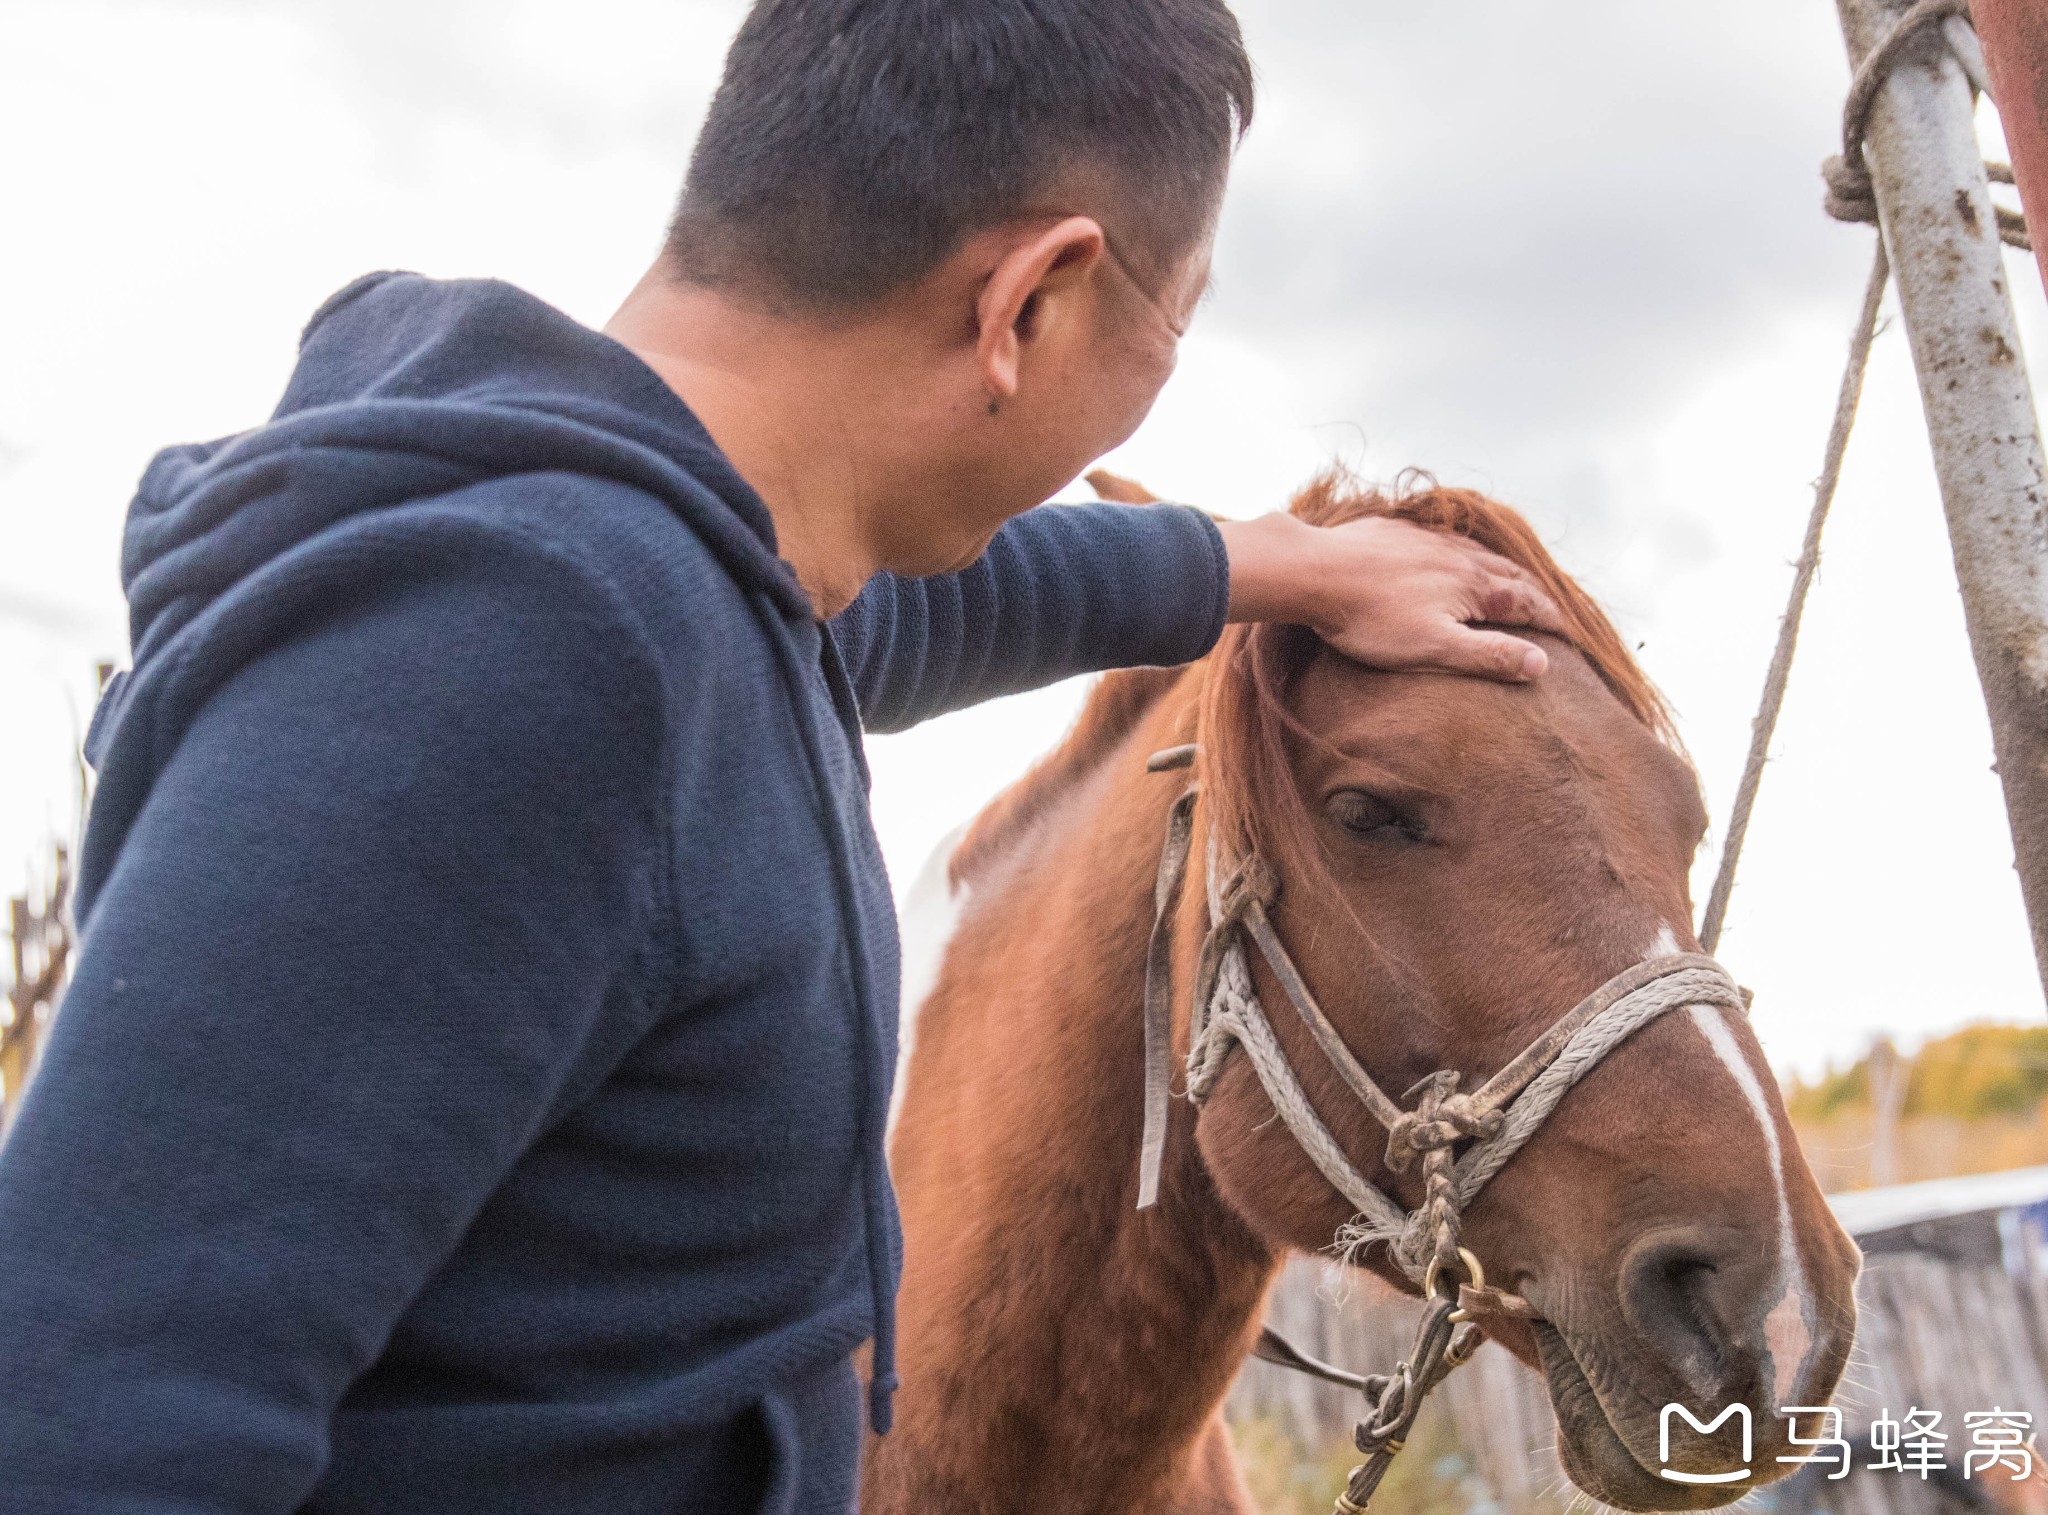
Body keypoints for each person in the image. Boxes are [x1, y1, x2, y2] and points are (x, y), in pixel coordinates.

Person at [0, 2, 1563, 1511]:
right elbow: (89, 1428)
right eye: (1174, 318)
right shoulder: (518, 656)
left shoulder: (696, 588)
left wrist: (1268, 569)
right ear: (1031, 299)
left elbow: (937, 604)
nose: (1155, 377)